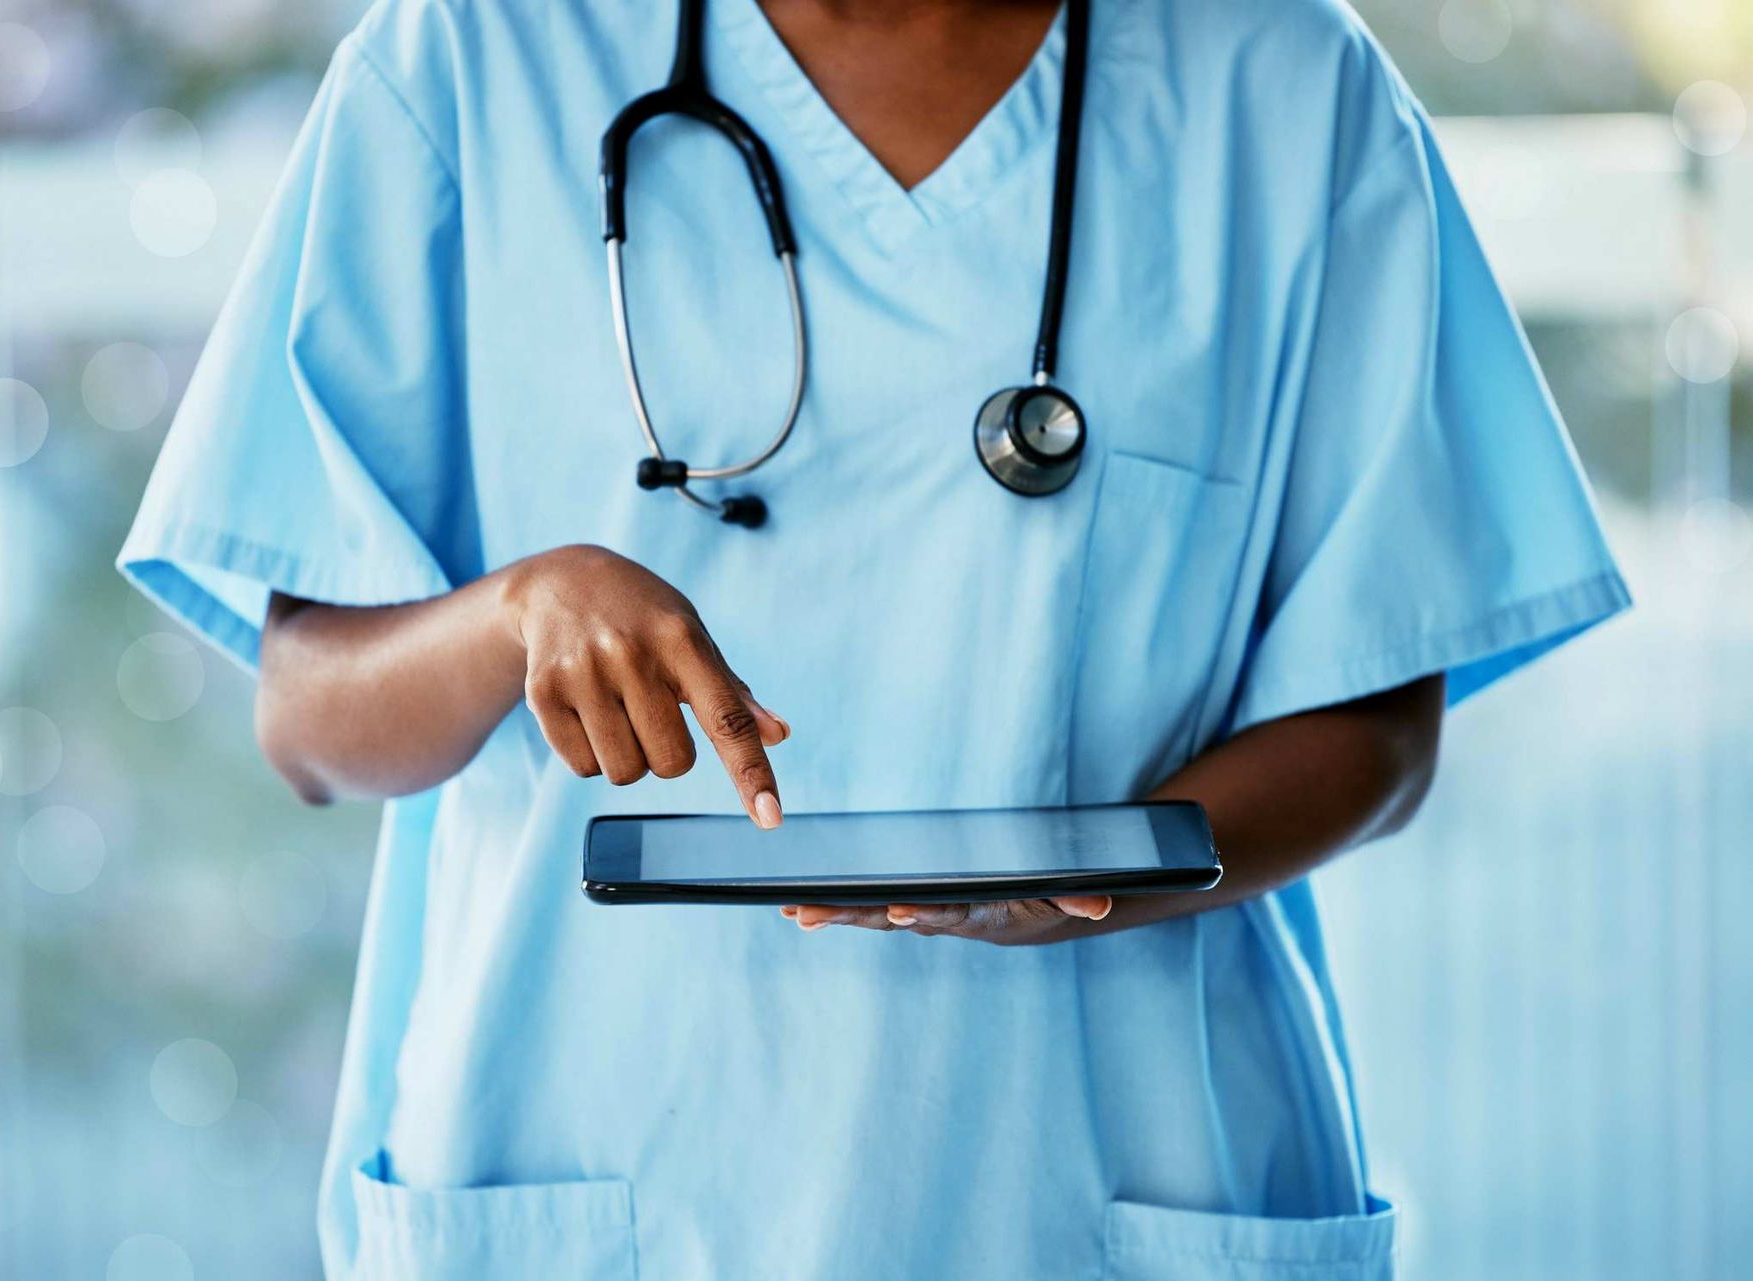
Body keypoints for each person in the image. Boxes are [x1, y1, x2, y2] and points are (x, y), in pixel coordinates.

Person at [118, 0, 1629, 1276]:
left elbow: (1379, 721)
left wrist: (1105, 874)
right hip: (604, 1162)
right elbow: (308, 714)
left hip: (1106, 1176)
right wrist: (515, 615)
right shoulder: (476, 53)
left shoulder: (1288, 87)